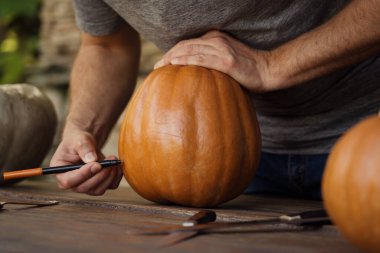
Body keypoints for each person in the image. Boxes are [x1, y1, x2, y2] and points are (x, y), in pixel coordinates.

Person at [51, 0, 380, 198]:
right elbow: (107, 45)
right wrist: (82, 128)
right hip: (236, 161)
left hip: (367, 143)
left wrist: (272, 66)